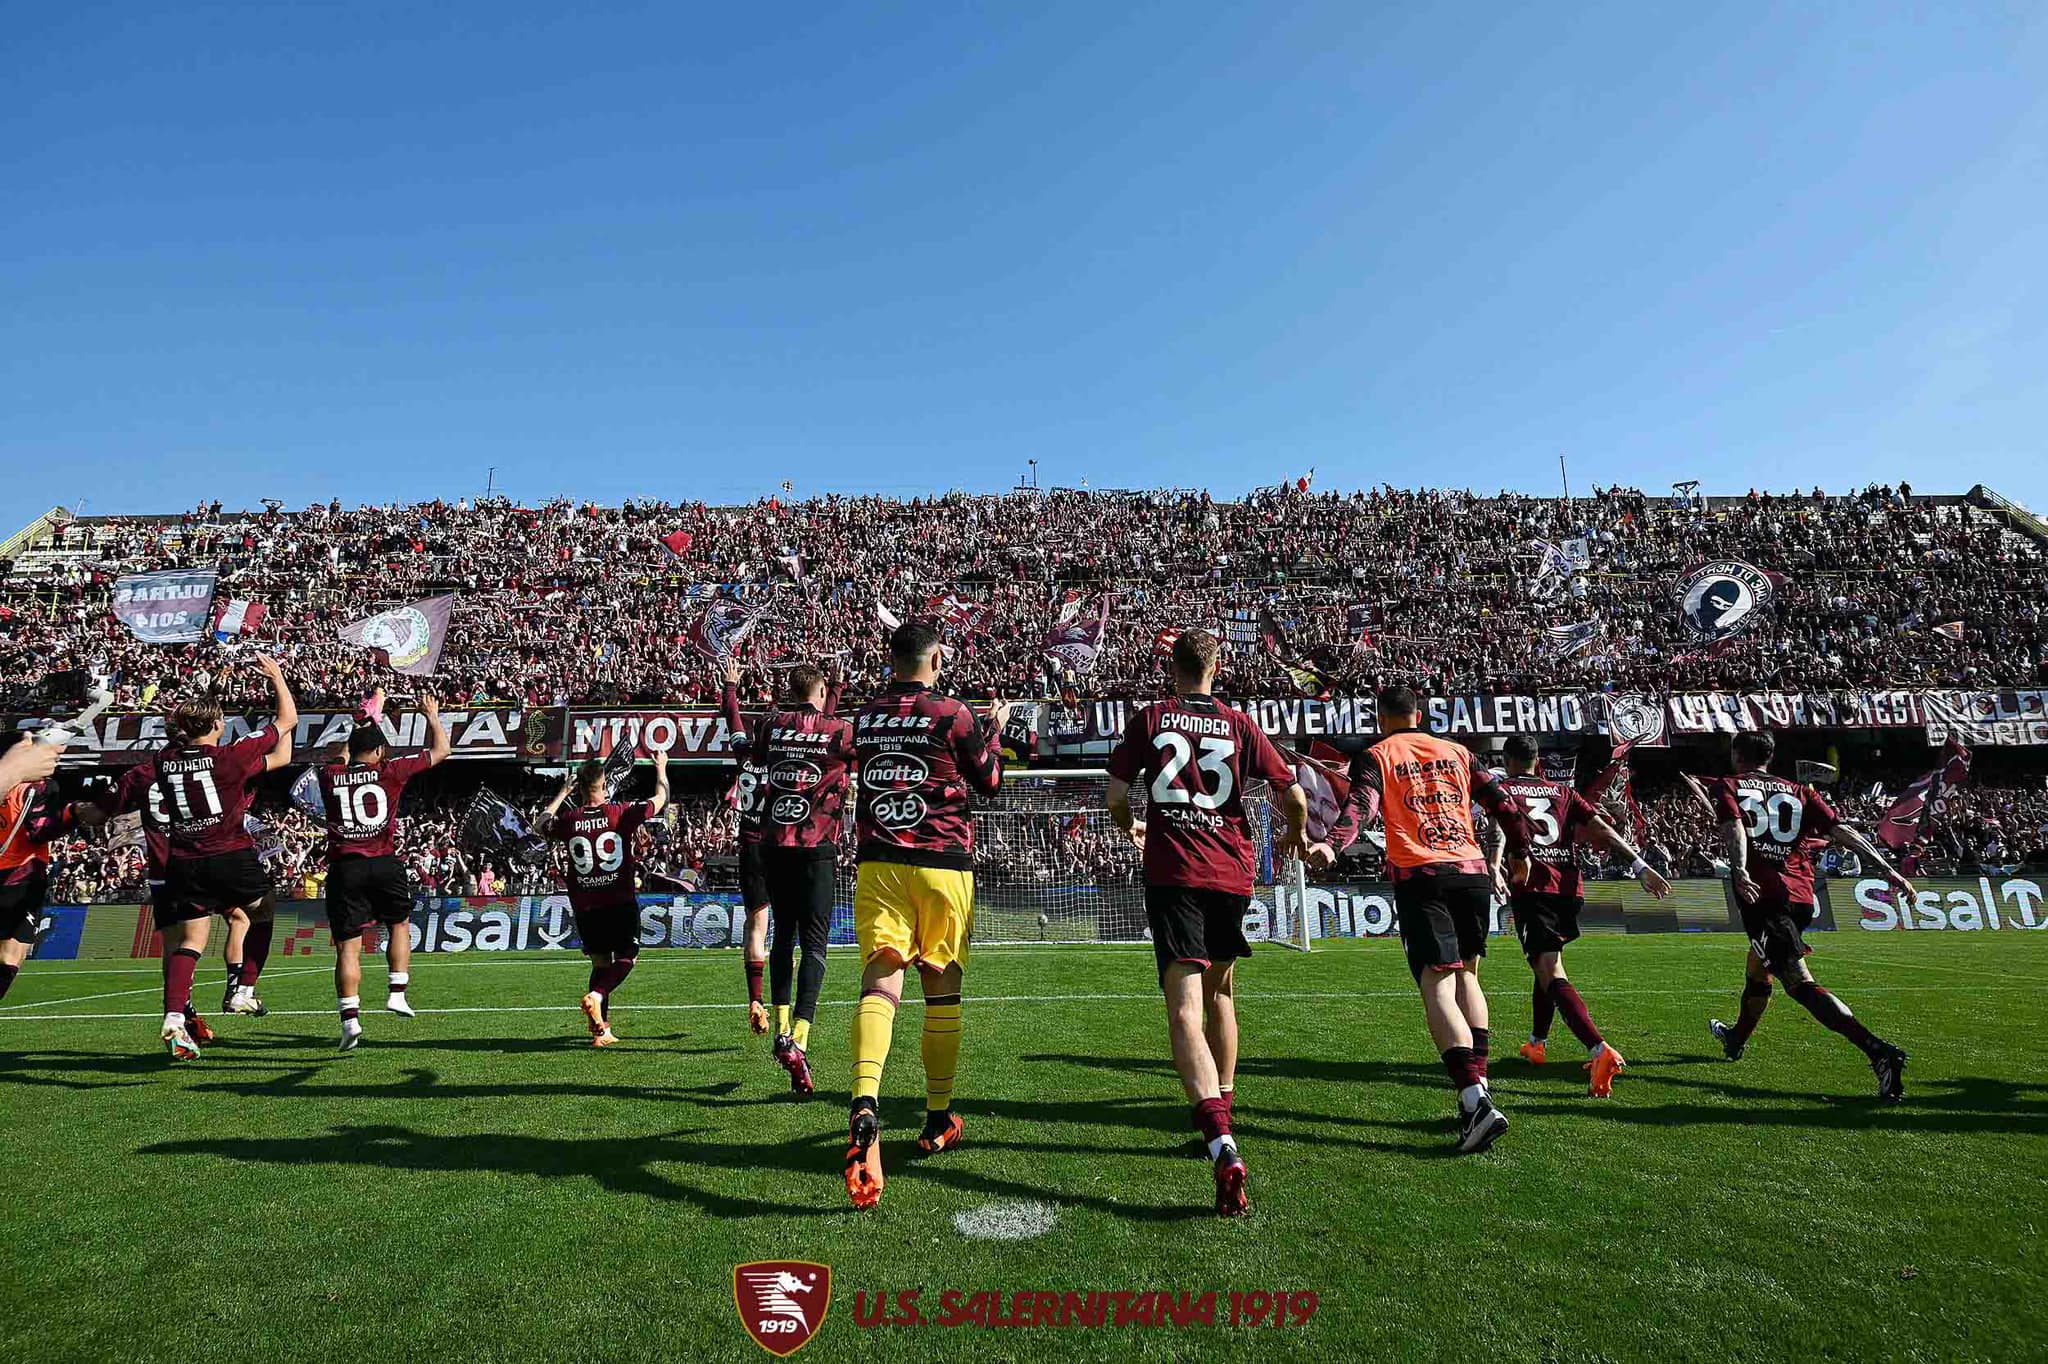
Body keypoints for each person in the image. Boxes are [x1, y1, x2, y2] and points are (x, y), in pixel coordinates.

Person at [1105, 630, 1308, 1216]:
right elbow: (1291, 793)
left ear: (1173, 668)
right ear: (1217, 668)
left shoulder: (1150, 719)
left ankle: (1219, 1139)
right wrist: (1295, 832)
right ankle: (1226, 1102)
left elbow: (1117, 793)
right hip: (1231, 873)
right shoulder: (1241, 725)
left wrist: (1128, 825)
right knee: (1222, 992)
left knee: (1184, 1008)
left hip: (1176, 874)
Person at [1310, 686, 1532, 1154]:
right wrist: (1520, 853)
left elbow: (1361, 807)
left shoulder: (1377, 754)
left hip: (1422, 874)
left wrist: (1333, 842)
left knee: (1437, 984)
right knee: (1468, 975)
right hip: (1470, 871)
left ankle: (1473, 1099)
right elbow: (1505, 805)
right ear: (1419, 713)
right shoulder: (1458, 751)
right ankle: (1481, 1085)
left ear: (1381, 717)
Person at [842, 622, 1008, 1208]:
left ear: (891, 660)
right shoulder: (954, 713)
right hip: (942, 860)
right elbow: (988, 780)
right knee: (941, 994)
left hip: (880, 860)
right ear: (936, 658)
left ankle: (865, 1102)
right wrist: (994, 730)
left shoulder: (862, 716)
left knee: (880, 981)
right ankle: (937, 1117)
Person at [1708, 730, 1914, 1101]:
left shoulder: (1729, 784)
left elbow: (1734, 826)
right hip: (1800, 895)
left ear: (1737, 755)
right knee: (1758, 966)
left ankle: (1879, 1052)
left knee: (1798, 982)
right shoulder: (1800, 791)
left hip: (1765, 896)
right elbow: (1841, 831)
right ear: (1770, 757)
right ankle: (1737, 1037)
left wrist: (1739, 868)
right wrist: (1887, 869)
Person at [122, 656, 296, 1060]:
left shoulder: (163, 762)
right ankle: (244, 988)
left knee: (191, 940)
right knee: (264, 910)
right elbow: (286, 720)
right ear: (217, 726)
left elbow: (193, 732)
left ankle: (173, 1016)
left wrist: (209, 697)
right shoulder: (230, 759)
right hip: (229, 853)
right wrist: (277, 679)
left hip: (183, 860)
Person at [1491, 736, 1672, 1096]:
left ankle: (1599, 1049)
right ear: (1536, 759)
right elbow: (1601, 829)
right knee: (1547, 964)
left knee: (1549, 967)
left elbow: (1500, 828)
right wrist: (1639, 865)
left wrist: (1495, 865)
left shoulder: (1504, 790)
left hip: (1534, 885)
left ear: (1508, 760)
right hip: (1568, 888)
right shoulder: (1562, 792)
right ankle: (1536, 1042)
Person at [319, 690, 451, 1051]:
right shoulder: (389, 772)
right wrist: (431, 716)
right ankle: (397, 991)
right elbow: (442, 752)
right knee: (399, 924)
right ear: (379, 753)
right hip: (383, 861)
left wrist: (361, 725)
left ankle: (350, 1022)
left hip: (345, 867)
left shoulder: (329, 776)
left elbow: (339, 754)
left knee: (347, 949)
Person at [752, 661, 856, 1094]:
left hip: (774, 843)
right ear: (823, 690)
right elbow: (838, 739)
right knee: (814, 944)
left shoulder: (771, 725)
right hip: (816, 846)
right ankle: (800, 1037)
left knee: (782, 937)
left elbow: (759, 752)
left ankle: (779, 1028)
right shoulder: (840, 730)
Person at [539, 738, 671, 1047]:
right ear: (605, 783)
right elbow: (661, 798)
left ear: (581, 787)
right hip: (619, 900)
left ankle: (600, 1031)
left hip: (586, 905)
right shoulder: (620, 813)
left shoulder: (569, 821)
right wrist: (661, 769)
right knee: (628, 957)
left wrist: (562, 792)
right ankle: (597, 997)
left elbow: (541, 822)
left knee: (600, 963)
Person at [0, 735, 82, 1004]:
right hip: (21, 877)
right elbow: (39, 830)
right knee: (11, 955)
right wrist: (74, 813)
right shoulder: (38, 787)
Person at [721, 660, 774, 1036]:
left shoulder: (745, 756)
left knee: (755, 925)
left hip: (749, 845)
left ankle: (755, 997)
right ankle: (784, 1004)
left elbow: (732, 719)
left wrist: (730, 687)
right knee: (782, 926)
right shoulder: (785, 761)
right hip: (779, 846)